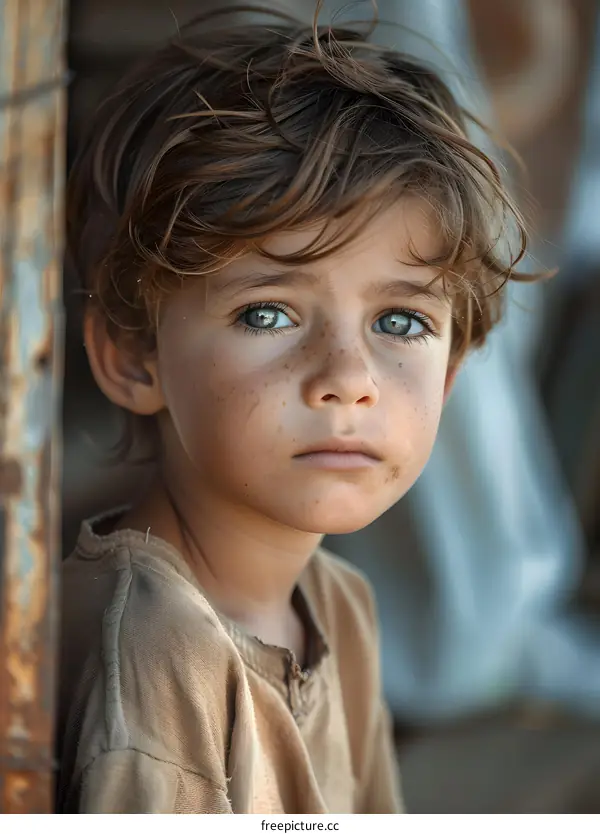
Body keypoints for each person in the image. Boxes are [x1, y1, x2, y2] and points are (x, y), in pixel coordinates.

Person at [56, 5, 534, 814]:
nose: (349, 378)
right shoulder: (157, 658)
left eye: (400, 322)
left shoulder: (339, 604)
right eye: (268, 314)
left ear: (449, 375)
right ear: (134, 359)